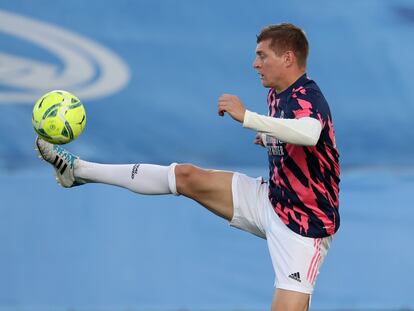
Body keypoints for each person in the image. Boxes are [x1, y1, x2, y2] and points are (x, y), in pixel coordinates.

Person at [35, 23, 340, 311]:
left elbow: (310, 132)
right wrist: (267, 135)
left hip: (303, 229)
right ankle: (77, 171)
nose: (255, 64)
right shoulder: (277, 93)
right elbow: (293, 132)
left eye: (262, 55)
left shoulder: (308, 96)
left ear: (287, 58)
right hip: (271, 200)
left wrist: (248, 118)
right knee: (186, 176)